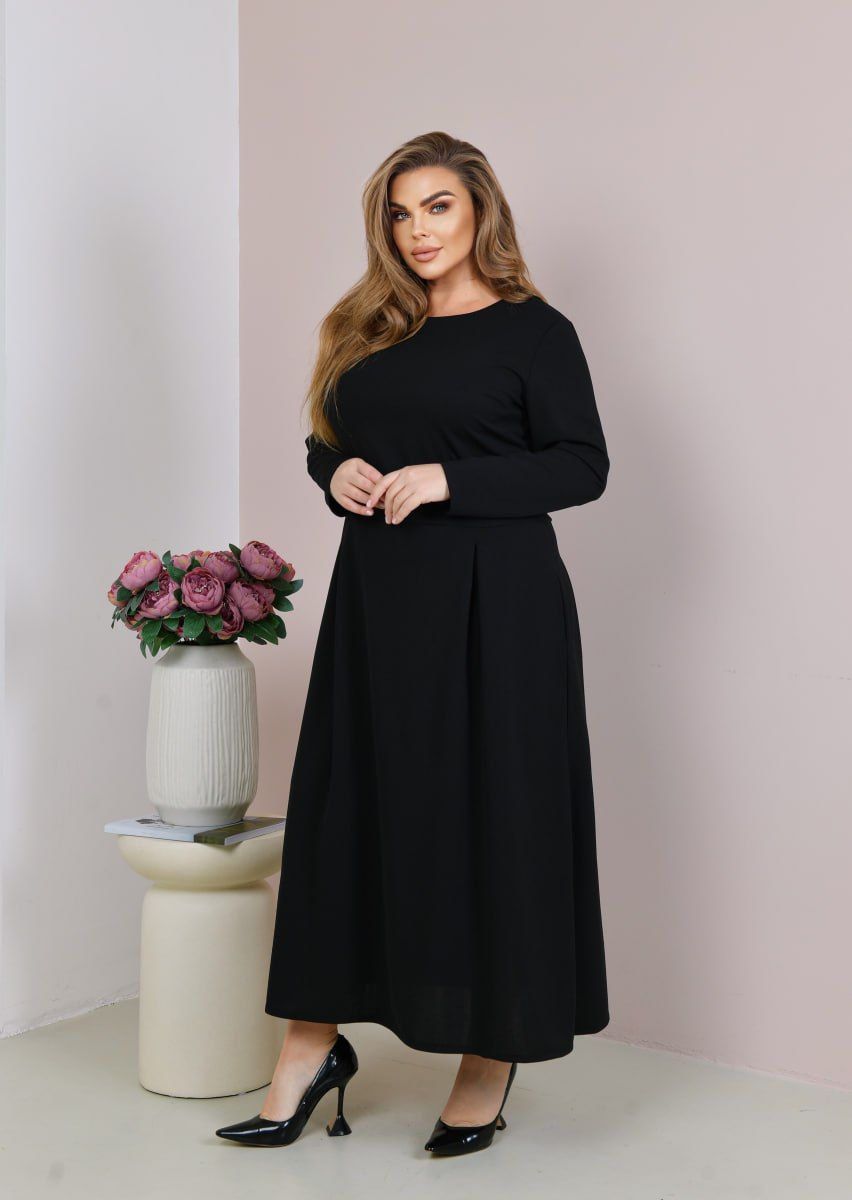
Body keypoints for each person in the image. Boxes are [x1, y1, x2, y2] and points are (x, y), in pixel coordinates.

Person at [216, 130, 611, 1158]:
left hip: (500, 605)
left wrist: (449, 479)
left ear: (480, 210)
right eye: (400, 213)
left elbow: (582, 464)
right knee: (352, 812)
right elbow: (329, 437)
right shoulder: (367, 324)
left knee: (494, 817)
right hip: (379, 602)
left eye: (437, 206)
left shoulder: (536, 331)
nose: (418, 230)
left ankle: (490, 1054)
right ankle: (308, 1049)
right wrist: (334, 472)